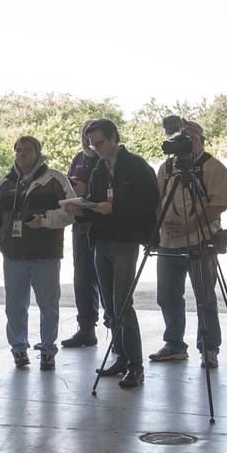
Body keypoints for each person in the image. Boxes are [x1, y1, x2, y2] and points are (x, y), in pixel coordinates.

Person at [149, 121, 227, 369]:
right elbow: (158, 199)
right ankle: (174, 344)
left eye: (191, 137)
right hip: (168, 243)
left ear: (201, 140)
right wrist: (162, 221)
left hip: (200, 241)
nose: (187, 142)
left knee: (205, 298)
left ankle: (209, 349)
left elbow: (221, 203)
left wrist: (191, 225)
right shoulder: (167, 167)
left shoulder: (212, 166)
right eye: (182, 137)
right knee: (167, 297)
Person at [78, 118, 158, 388]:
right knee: (110, 307)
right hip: (101, 241)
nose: (96, 148)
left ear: (114, 138)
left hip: (125, 242)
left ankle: (136, 365)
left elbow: (149, 200)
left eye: (100, 143)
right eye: (93, 144)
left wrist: (115, 207)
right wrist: (80, 209)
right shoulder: (99, 168)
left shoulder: (135, 165)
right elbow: (92, 198)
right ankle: (122, 358)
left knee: (123, 303)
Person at [0, 136, 74, 370]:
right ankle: (18, 349)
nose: (22, 154)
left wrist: (46, 220)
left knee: (49, 305)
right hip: (14, 257)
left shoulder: (56, 179)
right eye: (18, 150)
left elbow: (71, 212)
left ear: (38, 153)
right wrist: (1, 242)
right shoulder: (4, 184)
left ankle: (48, 350)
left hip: (45, 255)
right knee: (15, 306)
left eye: (27, 150)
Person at [63, 120, 104, 348]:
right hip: (79, 227)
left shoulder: (105, 159)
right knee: (81, 280)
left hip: (101, 229)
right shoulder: (78, 158)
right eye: (84, 135)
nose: (87, 141)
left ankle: (115, 330)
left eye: (91, 137)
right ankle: (86, 329)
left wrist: (85, 190)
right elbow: (71, 188)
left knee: (105, 280)